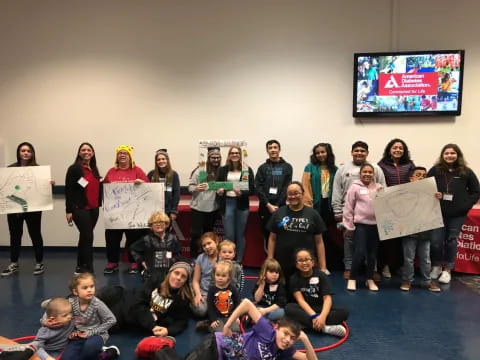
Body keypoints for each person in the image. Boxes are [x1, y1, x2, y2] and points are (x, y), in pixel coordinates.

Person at [185, 298, 318, 360]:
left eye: (293, 338)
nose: (287, 340)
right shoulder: (268, 331)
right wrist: (227, 326)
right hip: (215, 347)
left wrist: (305, 339)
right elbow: (247, 304)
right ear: (276, 328)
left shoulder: (285, 350)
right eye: (286, 333)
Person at [332, 141, 386, 280]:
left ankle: (371, 270)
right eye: (356, 150)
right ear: (351, 152)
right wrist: (338, 211)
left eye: (362, 151)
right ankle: (349, 268)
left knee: (371, 244)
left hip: (371, 215)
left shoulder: (376, 168)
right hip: (348, 212)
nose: (359, 153)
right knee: (349, 241)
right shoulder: (343, 169)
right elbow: (337, 190)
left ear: (367, 153)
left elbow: (383, 190)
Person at [428, 144, 480, 284]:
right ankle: (437, 266)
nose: (449, 155)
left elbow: (476, 191)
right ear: (442, 155)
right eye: (446, 153)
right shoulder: (435, 170)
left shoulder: (466, 172)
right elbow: (426, 187)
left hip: (458, 214)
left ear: (458, 155)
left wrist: (466, 205)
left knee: (451, 240)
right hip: (438, 212)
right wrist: (433, 194)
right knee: (436, 242)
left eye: (452, 153)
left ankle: (447, 270)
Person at [1, 142, 52, 277]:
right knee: (15, 235)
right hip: (14, 208)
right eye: (23, 150)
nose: (25, 153)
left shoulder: (38, 170)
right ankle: (14, 263)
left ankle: (39, 262)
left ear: (32, 153)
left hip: (33, 209)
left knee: (35, 234)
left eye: (28, 151)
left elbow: (41, 189)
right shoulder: (10, 169)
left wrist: (49, 184)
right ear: (18, 153)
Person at [267, 181, 327, 282]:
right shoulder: (278, 213)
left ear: (303, 194)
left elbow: (319, 242)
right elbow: (272, 239)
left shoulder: (313, 214)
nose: (293, 196)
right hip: (282, 264)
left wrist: (323, 267)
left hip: (305, 266)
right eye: (290, 194)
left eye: (296, 193)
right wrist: (270, 260)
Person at [103, 145, 149, 275]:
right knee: (112, 238)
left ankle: (134, 263)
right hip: (115, 212)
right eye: (120, 153)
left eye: (125, 153)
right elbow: (104, 191)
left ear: (130, 156)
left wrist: (142, 183)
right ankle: (112, 262)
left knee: (133, 239)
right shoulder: (111, 171)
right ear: (117, 156)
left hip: (133, 212)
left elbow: (148, 189)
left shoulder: (137, 170)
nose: (122, 155)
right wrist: (107, 186)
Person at [286, 249, 348, 337]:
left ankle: (307, 325)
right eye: (300, 260)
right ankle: (324, 328)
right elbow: (301, 301)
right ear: (296, 264)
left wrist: (322, 316)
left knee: (344, 312)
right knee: (289, 308)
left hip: (320, 307)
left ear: (313, 262)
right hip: (305, 309)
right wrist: (314, 316)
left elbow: (327, 299)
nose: (304, 263)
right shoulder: (294, 278)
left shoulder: (322, 276)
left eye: (307, 259)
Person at [377, 138, 415, 279]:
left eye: (400, 148)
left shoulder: (410, 164)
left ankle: (398, 266)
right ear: (389, 150)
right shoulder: (381, 165)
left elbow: (415, 180)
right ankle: (384, 265)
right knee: (387, 239)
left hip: (405, 207)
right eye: (395, 147)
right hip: (388, 207)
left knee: (402, 239)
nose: (398, 150)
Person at [400, 167, 441, 292]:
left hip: (425, 230)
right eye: (418, 175)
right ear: (411, 178)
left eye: (424, 175)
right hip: (409, 231)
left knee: (425, 258)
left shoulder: (432, 193)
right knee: (408, 258)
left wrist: (439, 197)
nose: (421, 177)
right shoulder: (403, 193)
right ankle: (407, 280)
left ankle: (427, 281)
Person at [343, 163, 383, 292]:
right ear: (360, 174)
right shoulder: (354, 187)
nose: (367, 174)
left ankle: (369, 278)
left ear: (374, 174)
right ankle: (352, 278)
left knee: (372, 255)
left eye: (370, 172)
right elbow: (348, 207)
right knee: (359, 252)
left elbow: (386, 205)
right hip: (360, 226)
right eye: (365, 172)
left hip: (375, 226)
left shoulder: (379, 188)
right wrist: (349, 226)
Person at [302, 142, 342, 271]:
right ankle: (316, 264)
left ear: (328, 153)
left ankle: (326, 263)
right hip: (314, 205)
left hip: (329, 206)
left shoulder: (335, 169)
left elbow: (338, 188)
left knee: (326, 235)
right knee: (315, 235)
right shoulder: (310, 167)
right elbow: (305, 186)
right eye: (317, 153)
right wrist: (309, 205)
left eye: (323, 152)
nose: (320, 155)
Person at [60, 273, 117, 360]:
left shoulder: (97, 304)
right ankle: (102, 353)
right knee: (66, 358)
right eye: (85, 288)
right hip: (78, 336)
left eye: (92, 286)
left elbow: (112, 320)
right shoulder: (70, 302)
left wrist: (90, 333)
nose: (90, 290)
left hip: (96, 335)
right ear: (75, 292)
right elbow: (58, 311)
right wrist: (72, 332)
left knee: (89, 349)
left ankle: (110, 352)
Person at [65, 142, 102, 275]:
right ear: (79, 153)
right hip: (80, 209)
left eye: (89, 150)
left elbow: (98, 187)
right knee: (88, 237)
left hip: (94, 209)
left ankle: (80, 266)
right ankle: (89, 269)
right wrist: (68, 210)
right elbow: (68, 190)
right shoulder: (74, 168)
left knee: (84, 237)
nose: (86, 152)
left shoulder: (94, 169)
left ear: (92, 153)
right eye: (83, 150)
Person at [216, 146, 255, 262]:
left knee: (240, 234)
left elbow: (252, 189)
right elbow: (218, 186)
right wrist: (219, 191)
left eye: (237, 153)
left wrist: (242, 193)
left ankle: (238, 261)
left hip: (241, 205)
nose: (235, 155)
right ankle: (228, 261)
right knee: (229, 235)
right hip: (227, 203)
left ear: (240, 155)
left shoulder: (246, 169)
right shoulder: (223, 170)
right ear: (229, 155)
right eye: (232, 153)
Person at [130, 211, 183, 290]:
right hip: (151, 274)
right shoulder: (146, 239)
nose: (158, 224)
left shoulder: (173, 238)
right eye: (155, 222)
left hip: (169, 273)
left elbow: (178, 253)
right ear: (151, 226)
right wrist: (141, 261)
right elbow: (133, 249)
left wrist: (173, 261)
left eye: (161, 222)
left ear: (166, 224)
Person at [255, 140, 293, 251]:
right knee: (267, 233)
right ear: (267, 151)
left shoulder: (287, 167)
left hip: (281, 207)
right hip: (265, 207)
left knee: (282, 232)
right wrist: (268, 204)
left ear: (279, 149)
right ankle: (270, 260)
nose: (273, 150)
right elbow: (258, 187)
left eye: (275, 147)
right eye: (270, 148)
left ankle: (281, 261)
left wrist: (277, 205)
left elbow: (287, 186)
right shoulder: (262, 168)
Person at [188, 147, 222, 258]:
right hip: (198, 209)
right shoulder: (200, 170)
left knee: (209, 236)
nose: (216, 160)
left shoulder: (221, 171)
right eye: (213, 157)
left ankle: (208, 258)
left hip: (213, 208)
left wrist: (222, 191)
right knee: (196, 235)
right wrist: (197, 187)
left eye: (218, 157)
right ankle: (194, 258)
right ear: (208, 158)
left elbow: (225, 186)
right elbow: (190, 187)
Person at [205, 260, 241, 333]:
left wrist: (236, 316)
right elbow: (210, 306)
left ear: (229, 277)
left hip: (231, 315)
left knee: (236, 330)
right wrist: (213, 319)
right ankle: (208, 325)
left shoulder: (232, 288)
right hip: (218, 317)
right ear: (214, 275)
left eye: (223, 276)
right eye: (218, 275)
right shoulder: (212, 289)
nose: (220, 278)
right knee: (219, 331)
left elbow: (237, 303)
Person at [147, 149, 180, 222]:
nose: (161, 161)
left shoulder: (174, 174)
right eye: (158, 159)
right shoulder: (151, 174)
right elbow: (146, 192)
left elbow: (176, 193)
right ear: (156, 162)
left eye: (163, 159)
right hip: (153, 210)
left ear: (167, 160)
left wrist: (173, 211)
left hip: (168, 210)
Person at [192, 232, 219, 317]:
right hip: (203, 292)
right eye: (204, 246)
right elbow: (195, 280)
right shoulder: (200, 258)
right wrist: (198, 294)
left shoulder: (223, 257)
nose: (207, 247)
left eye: (209, 243)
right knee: (201, 311)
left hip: (218, 293)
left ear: (216, 242)